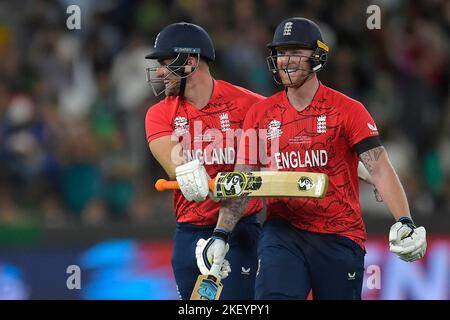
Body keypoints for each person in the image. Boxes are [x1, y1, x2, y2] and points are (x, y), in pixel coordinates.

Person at [196, 17, 427, 300]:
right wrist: (220, 234)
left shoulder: (348, 110)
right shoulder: (260, 115)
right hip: (282, 233)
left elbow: (378, 167)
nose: (286, 60)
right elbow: (243, 182)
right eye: (281, 53)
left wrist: (404, 220)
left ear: (317, 56)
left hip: (340, 235)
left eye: (295, 52)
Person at [144, 22, 265, 300]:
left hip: (241, 231)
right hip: (190, 230)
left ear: (190, 61)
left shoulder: (249, 105)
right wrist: (187, 174)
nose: (160, 71)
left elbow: (292, 137)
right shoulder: (159, 113)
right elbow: (181, 170)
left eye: (164, 63)